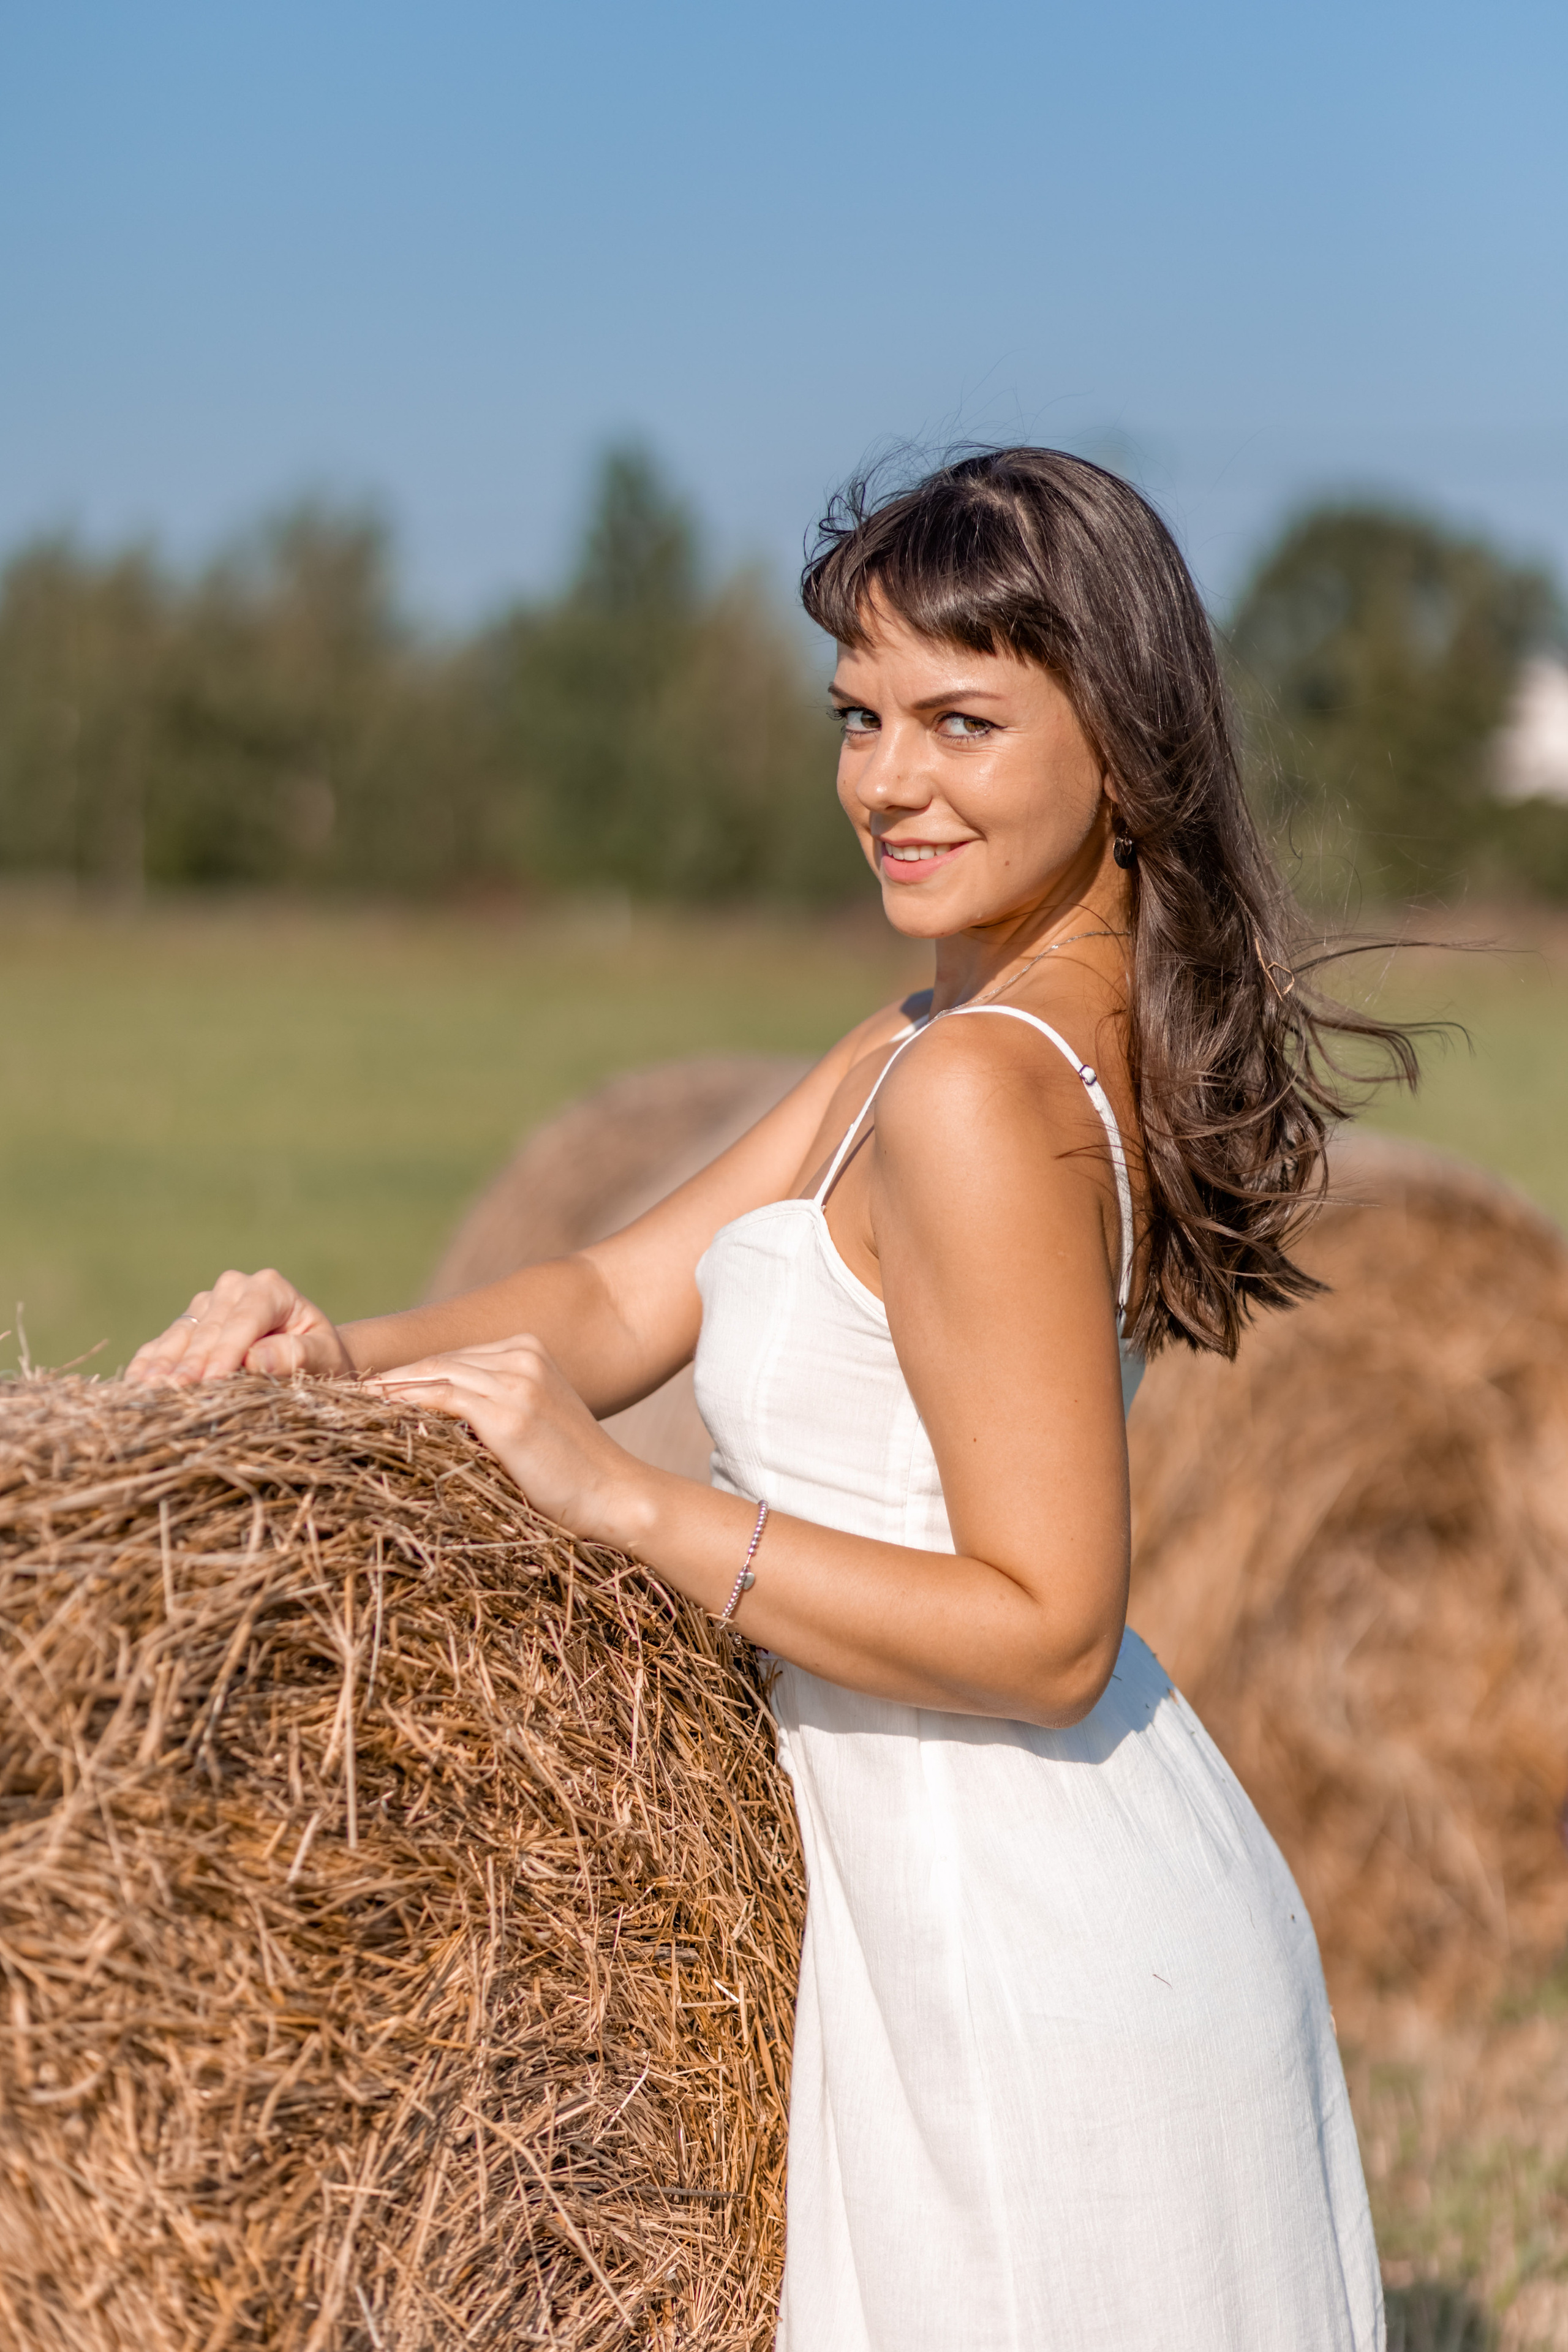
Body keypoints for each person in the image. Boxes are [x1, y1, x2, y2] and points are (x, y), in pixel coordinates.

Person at [131, 448, 1407, 2351]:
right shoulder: (940, 1040)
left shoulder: (979, 1093)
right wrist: (339, 1368)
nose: (886, 783)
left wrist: (625, 1503)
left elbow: (1049, 1631)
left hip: (1016, 1944)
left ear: (1125, 749)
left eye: (962, 721)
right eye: (860, 718)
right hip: (977, 1904)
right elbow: (614, 1291)